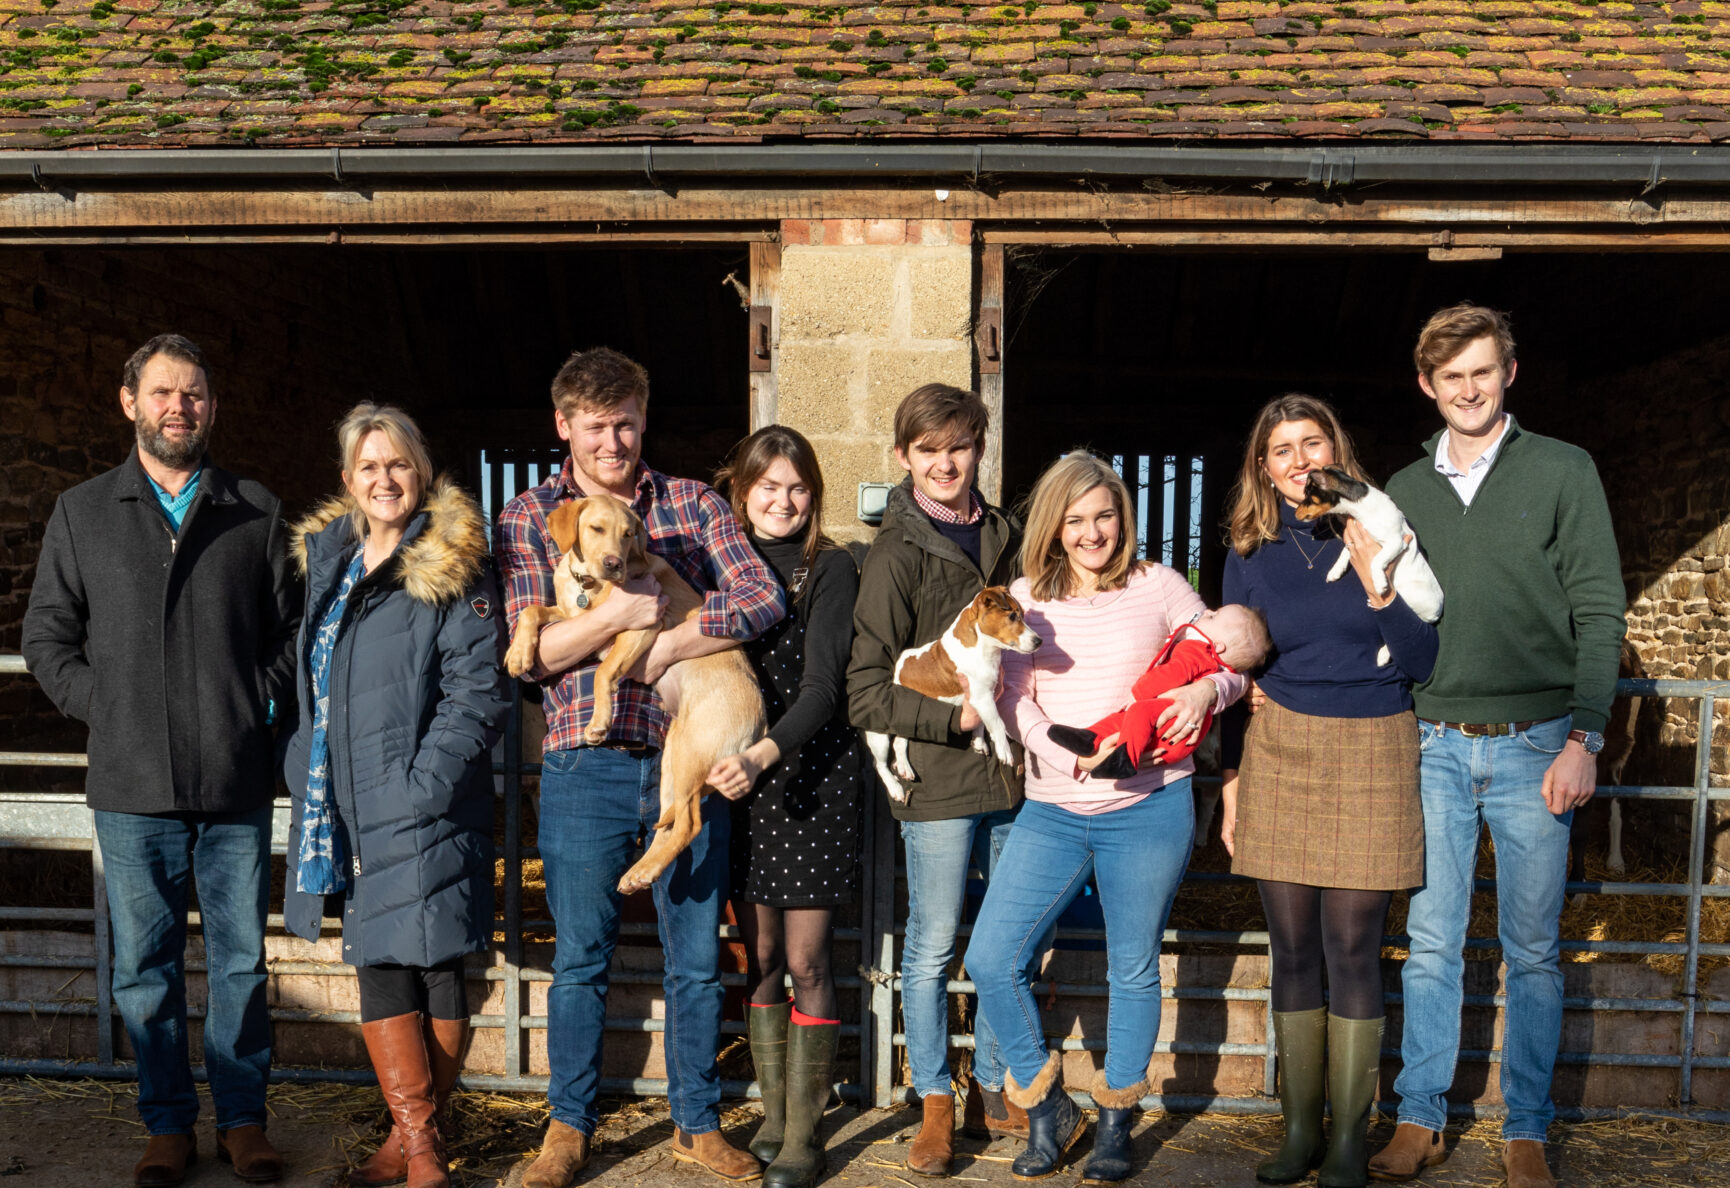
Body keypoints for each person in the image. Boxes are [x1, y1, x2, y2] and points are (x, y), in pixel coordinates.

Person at [496, 348, 786, 1188]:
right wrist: (619, 612)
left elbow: (761, 598)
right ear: (564, 426)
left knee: (694, 958)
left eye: (625, 423)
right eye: (596, 427)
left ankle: (697, 1124)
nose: (613, 442)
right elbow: (532, 655)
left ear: (643, 418)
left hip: (684, 753)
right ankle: (567, 1131)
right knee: (580, 958)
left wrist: (665, 641)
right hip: (582, 766)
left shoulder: (693, 504)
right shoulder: (530, 515)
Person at [21, 334, 300, 1187]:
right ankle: (169, 1123)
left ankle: (243, 1122)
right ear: (130, 402)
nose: (180, 407)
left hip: (233, 780)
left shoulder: (254, 510)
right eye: (164, 393)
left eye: (195, 394)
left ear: (213, 406)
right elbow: (46, 637)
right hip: (131, 784)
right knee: (144, 970)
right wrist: (108, 708)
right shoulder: (83, 512)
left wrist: (256, 702)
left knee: (241, 963)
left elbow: (292, 634)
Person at [1370, 306, 1623, 1188]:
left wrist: (1585, 736)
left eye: (1483, 371)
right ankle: (1419, 1117)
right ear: (1427, 386)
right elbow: (1384, 606)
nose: (1469, 389)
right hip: (1434, 741)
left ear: (1509, 372)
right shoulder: (1404, 487)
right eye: (1452, 377)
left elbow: (1599, 608)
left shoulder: (1563, 469)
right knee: (1431, 940)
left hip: (1537, 745)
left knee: (1534, 949)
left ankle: (1526, 1130)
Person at [966, 451, 1247, 1183]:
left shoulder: (1161, 585)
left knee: (1132, 965)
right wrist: (1066, 755)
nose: (1092, 533)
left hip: (1150, 806)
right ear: (1053, 527)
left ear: (1123, 518)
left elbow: (1227, 659)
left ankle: (1117, 1119)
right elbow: (1010, 698)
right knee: (991, 958)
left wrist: (1205, 695)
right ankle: (1047, 1109)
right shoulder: (1025, 598)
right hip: (1053, 810)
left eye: (1104, 516)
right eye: (1075, 520)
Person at [280, 404, 508, 1188]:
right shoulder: (331, 564)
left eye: (399, 464)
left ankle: (419, 1149)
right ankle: (415, 1145)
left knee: (435, 965)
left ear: (422, 471)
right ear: (348, 480)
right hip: (342, 804)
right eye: (369, 467)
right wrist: (301, 763)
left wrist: (423, 787)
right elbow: (311, 683)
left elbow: (478, 692)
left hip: (420, 804)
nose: (385, 480)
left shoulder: (450, 565)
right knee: (377, 963)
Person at [1215, 395, 1439, 1188]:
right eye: (1282, 450)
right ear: (1263, 466)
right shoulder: (1249, 550)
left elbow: (1422, 658)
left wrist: (1378, 582)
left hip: (1375, 744)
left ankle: (1349, 1137)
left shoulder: (1380, 526)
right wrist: (1232, 779)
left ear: (1335, 450)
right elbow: (1234, 669)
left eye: (1312, 443)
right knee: (1293, 948)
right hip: (1280, 748)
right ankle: (1299, 1130)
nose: (1299, 461)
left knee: (1352, 946)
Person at [846, 383, 1028, 1176]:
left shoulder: (1008, 537)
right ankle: (933, 1103)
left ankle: (991, 1086)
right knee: (931, 945)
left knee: (1007, 944)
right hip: (941, 782)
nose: (945, 463)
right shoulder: (896, 553)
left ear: (980, 447)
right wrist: (951, 722)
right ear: (903, 457)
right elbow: (865, 690)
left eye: (959, 446)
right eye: (928, 450)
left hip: (1014, 780)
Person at [705, 425, 864, 1188]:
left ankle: (805, 1133)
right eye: (769, 486)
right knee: (760, 955)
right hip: (737, 779)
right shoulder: (719, 564)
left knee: (806, 959)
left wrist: (760, 757)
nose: (784, 501)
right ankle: (773, 1113)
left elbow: (824, 689)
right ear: (742, 492)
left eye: (798, 488)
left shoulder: (829, 568)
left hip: (808, 778)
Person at [1045, 604, 1270, 778]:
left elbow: (1173, 673)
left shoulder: (1197, 651)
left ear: (1218, 646)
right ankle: (1089, 738)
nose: (1207, 611)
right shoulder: (1211, 657)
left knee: (1137, 712)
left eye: (1213, 616)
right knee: (1123, 719)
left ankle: (1125, 760)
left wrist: (1140, 692)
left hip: (1171, 728)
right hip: (1174, 733)